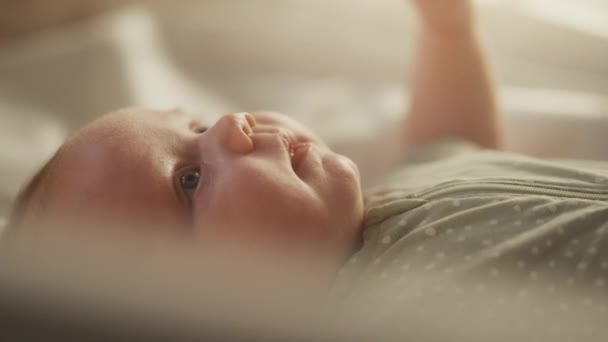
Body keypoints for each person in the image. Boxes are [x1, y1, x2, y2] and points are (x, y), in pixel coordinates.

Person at [5, 0, 608, 307]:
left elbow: (454, 146)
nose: (233, 128)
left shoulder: (394, 193)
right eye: (189, 181)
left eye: (196, 122)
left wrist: (447, 33)